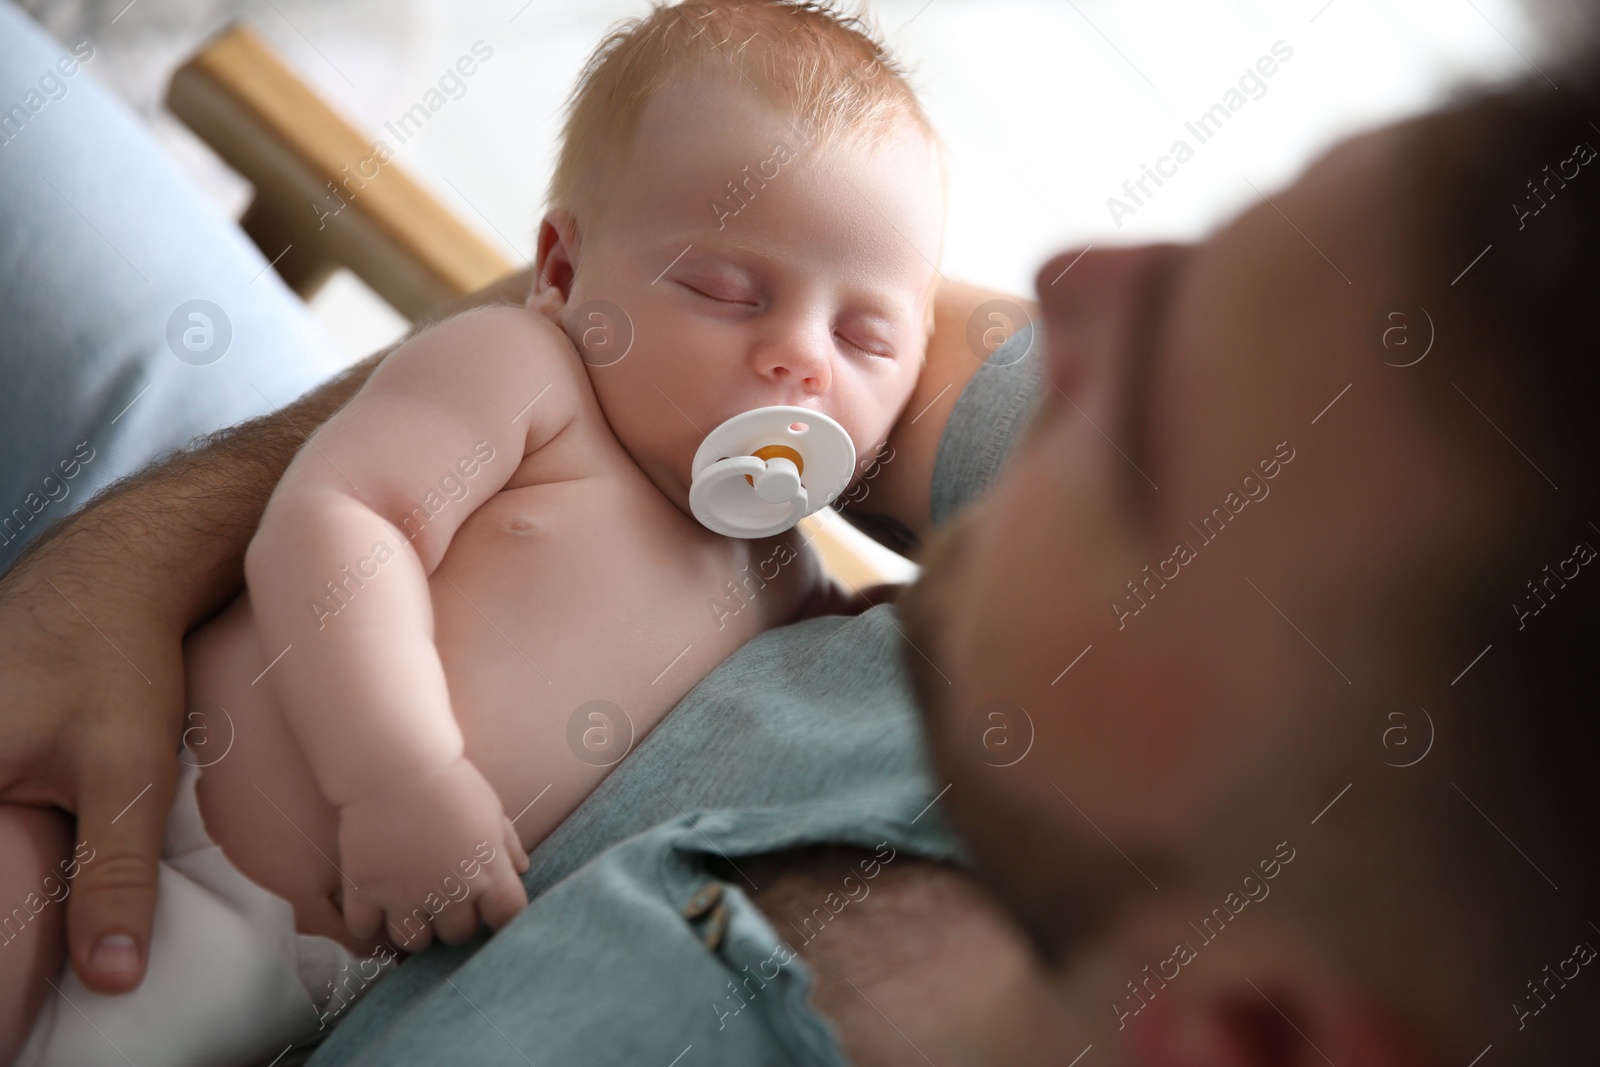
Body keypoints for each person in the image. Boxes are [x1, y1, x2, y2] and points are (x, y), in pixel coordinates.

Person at [5, 3, 1599, 1067]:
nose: (1061, 294)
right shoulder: (607, 399)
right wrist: (128, 566)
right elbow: (629, 278)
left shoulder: (777, 570)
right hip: (159, 776)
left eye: (1146, 453)